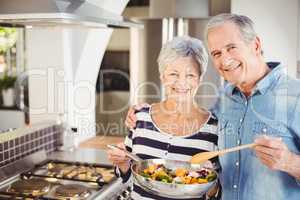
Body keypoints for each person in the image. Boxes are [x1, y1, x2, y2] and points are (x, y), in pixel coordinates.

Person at [125, 14, 300, 200]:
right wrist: (142, 112)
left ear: (255, 45)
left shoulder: (295, 96)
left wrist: (289, 163)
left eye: (231, 47)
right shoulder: (223, 99)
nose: (225, 61)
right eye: (217, 53)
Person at [107, 36, 221, 200]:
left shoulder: (214, 129)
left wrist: (210, 180)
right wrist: (122, 163)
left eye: (190, 75)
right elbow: (128, 177)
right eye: (174, 74)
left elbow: (214, 194)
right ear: (162, 77)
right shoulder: (141, 118)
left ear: (200, 79)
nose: (182, 82)